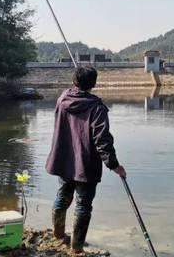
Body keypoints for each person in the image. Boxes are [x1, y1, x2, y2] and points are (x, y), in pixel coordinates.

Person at [45, 66, 126, 255]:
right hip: (85, 165)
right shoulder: (96, 107)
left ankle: (58, 236)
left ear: (74, 81)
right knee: (82, 205)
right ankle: (77, 248)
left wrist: (76, 87)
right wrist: (114, 165)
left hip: (64, 161)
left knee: (63, 196)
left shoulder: (63, 98)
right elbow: (102, 139)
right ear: (94, 84)